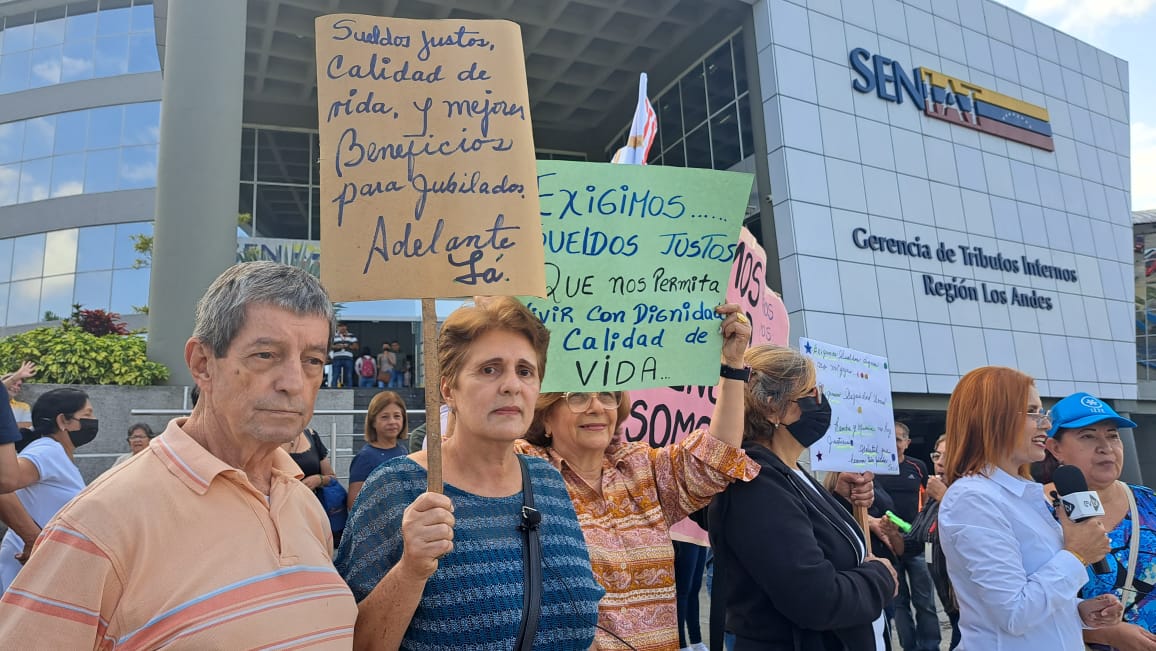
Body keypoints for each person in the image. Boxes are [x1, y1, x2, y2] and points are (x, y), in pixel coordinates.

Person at [0, 262, 357, 647]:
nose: (293, 383)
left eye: (313, 361)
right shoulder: (99, 524)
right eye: (266, 355)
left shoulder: (303, 504)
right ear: (202, 364)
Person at [336, 297, 603, 650]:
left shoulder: (548, 481)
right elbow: (352, 642)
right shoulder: (397, 487)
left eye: (525, 371)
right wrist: (411, 570)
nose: (511, 385)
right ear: (449, 389)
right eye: (490, 369)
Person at [516, 303, 758, 651]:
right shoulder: (523, 473)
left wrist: (732, 365)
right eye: (579, 396)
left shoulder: (642, 469)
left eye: (608, 395)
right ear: (545, 418)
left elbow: (717, 456)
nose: (597, 406)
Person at [705, 344, 896, 650]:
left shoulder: (789, 470)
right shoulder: (757, 482)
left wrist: (840, 503)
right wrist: (880, 578)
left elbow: (812, 536)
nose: (820, 402)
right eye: (809, 393)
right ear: (771, 406)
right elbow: (815, 598)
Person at [938, 366, 1123, 649]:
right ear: (992, 418)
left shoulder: (1023, 494)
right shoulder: (973, 499)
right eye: (1032, 412)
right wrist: (1077, 555)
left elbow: (1031, 596)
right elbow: (1013, 613)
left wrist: (1080, 611)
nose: (1045, 424)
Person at [1039, 392, 1156, 650]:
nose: (1106, 447)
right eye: (1088, 436)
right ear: (1055, 448)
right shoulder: (1034, 512)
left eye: (1112, 435)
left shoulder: (1149, 503)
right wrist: (1101, 633)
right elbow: (1016, 608)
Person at [0, 388, 94, 592]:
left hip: (41, 565)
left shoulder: (57, 453)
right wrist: (33, 538)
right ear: (63, 421)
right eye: (87, 415)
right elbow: (3, 484)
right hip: (25, 563)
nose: (93, 420)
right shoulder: (47, 451)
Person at [876, 421, 940, 651]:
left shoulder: (918, 466)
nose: (893, 444)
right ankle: (909, 647)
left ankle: (930, 646)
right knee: (899, 603)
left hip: (916, 544)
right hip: (887, 546)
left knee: (925, 603)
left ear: (907, 443)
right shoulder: (876, 468)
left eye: (898, 439)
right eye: (889, 439)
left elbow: (934, 495)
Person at [925, 434, 960, 650]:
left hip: (965, 604)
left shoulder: (973, 492)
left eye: (947, 456)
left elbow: (972, 531)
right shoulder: (933, 497)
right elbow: (910, 542)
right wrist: (889, 532)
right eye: (937, 455)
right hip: (947, 600)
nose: (939, 462)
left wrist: (944, 497)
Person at [347, 390, 410, 508]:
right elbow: (353, 503)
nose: (392, 422)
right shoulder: (365, 457)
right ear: (373, 422)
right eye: (385, 417)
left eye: (397, 416)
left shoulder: (403, 451)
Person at [2, 361, 36, 429]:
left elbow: (28, 424)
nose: (16, 387)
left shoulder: (23, 406)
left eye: (19, 385)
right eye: (13, 383)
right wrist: (16, 376)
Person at [330, 322, 357, 388]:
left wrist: (348, 346)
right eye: (340, 326)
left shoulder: (351, 335)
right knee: (335, 375)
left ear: (346, 327)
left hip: (348, 357)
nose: (342, 328)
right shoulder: (333, 336)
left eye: (343, 326)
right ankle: (333, 389)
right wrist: (337, 347)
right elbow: (329, 346)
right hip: (337, 357)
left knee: (349, 375)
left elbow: (356, 347)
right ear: (337, 328)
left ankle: (349, 390)